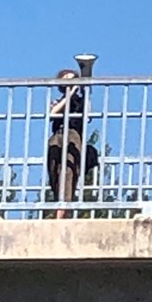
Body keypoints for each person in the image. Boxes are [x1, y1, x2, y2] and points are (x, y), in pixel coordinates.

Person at [46, 69, 94, 218]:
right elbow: (52, 114)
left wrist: (84, 91)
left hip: (73, 135)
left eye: (72, 80)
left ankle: (64, 208)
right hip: (57, 135)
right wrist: (67, 97)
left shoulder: (81, 101)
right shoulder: (59, 101)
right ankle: (58, 203)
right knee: (55, 170)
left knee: (69, 169)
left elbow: (88, 116)